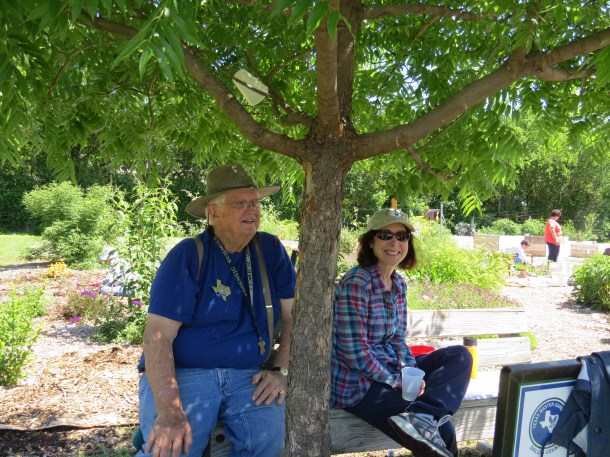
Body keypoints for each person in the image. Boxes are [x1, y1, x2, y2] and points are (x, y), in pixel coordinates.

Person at [135, 164, 296, 457]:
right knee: (173, 447)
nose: (252, 210)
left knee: (267, 445)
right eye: (240, 203)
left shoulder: (270, 250)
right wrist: (170, 411)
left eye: (255, 202)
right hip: (187, 371)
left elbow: (294, 316)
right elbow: (157, 336)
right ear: (213, 212)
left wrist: (280, 368)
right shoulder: (189, 255)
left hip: (249, 375)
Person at [331, 208, 472, 457]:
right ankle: (424, 416)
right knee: (444, 430)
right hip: (358, 385)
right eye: (386, 235)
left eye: (402, 236)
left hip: (389, 370)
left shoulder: (398, 283)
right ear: (371, 241)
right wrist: (397, 381)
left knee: (459, 355)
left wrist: (409, 372)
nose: (395, 242)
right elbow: (354, 354)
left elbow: (398, 339)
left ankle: (424, 414)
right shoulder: (358, 282)